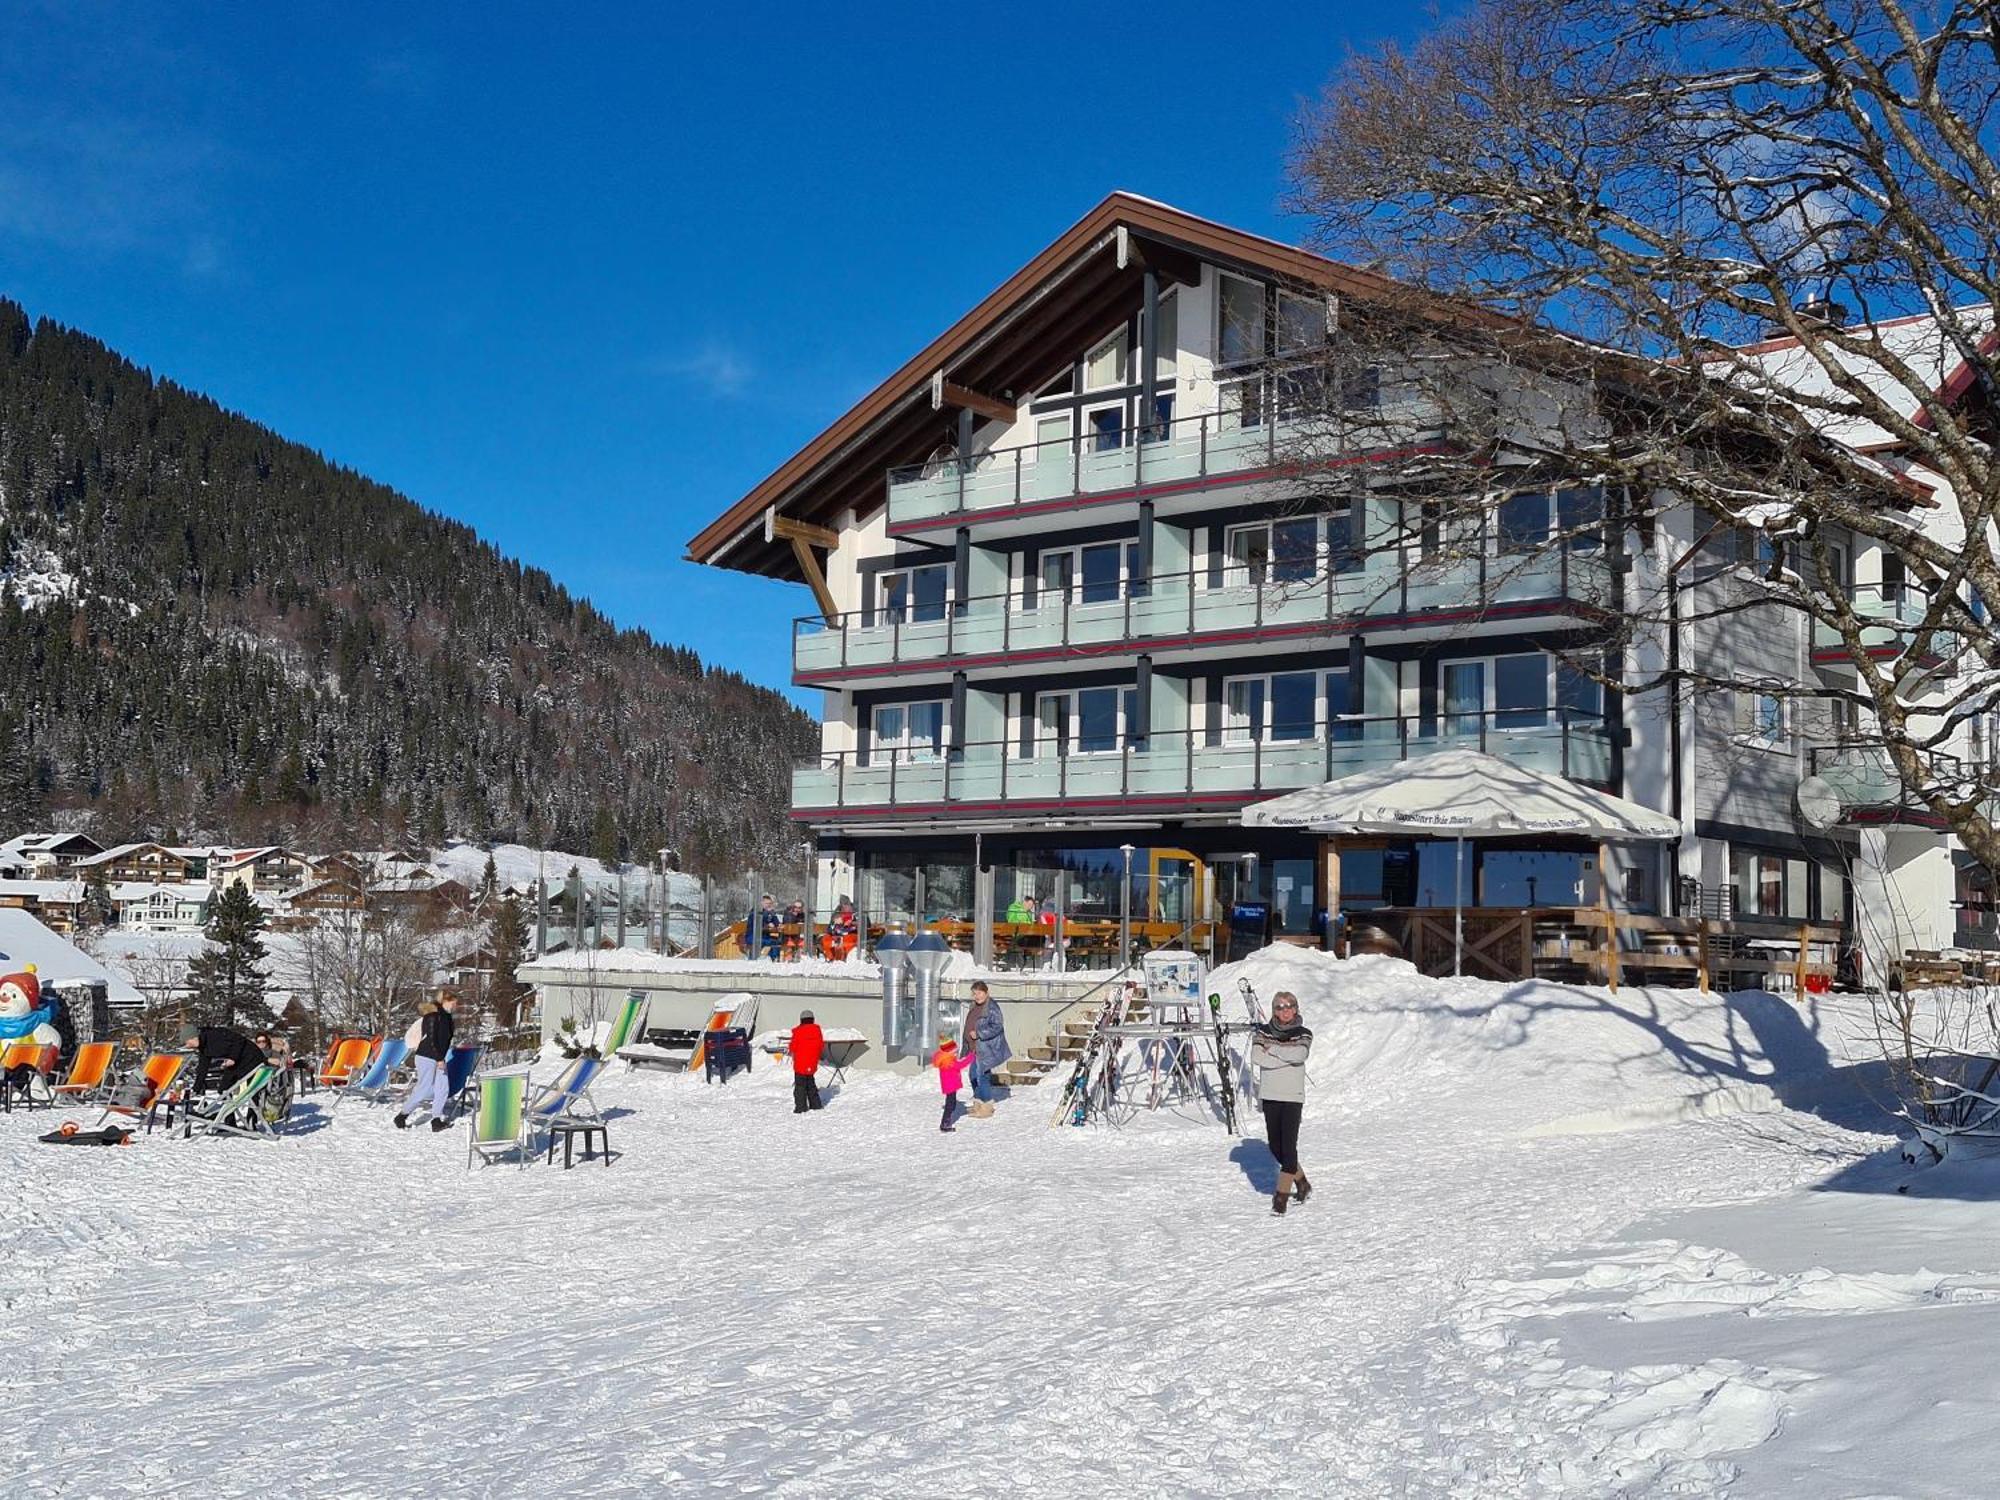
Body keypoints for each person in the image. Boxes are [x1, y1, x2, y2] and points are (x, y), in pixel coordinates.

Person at [1251, 990, 1315, 1216]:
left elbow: (1300, 1055)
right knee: (1276, 1148)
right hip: (1270, 1095)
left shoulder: (1303, 1033)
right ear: (1274, 1010)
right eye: (1279, 1006)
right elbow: (1258, 1058)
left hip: (1292, 1096)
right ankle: (1303, 1182)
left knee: (1288, 1147)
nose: (1285, 1010)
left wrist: (1275, 1050)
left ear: (1296, 1009)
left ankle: (1281, 1198)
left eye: (1289, 1006)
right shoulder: (1263, 1031)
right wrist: (1285, 1058)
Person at [395, 996, 457, 1132]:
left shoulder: (447, 1018)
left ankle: (436, 1120)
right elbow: (432, 1039)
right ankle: (402, 1116)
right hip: (426, 1056)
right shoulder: (432, 1016)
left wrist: (441, 1058)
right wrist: (439, 1058)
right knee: (424, 1088)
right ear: (445, 1001)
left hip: (439, 1057)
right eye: (453, 1003)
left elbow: (444, 1040)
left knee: (443, 1088)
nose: (455, 1006)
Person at [961, 980, 1011, 1109]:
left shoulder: (992, 1007)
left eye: (979, 993)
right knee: (973, 1075)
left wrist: (979, 1034)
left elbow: (997, 1026)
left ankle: (986, 1103)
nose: (977, 996)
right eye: (974, 993)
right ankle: (979, 1101)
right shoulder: (974, 1006)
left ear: (986, 992)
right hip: (974, 1048)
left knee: (982, 1075)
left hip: (986, 1048)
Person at [185, 1025, 267, 1095]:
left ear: (193, 1037)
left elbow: (239, 1040)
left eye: (187, 1043)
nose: (188, 1046)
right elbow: (202, 1069)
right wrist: (196, 1088)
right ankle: (227, 1113)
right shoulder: (203, 1048)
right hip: (238, 1062)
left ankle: (254, 1112)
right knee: (224, 1089)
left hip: (252, 1057)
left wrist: (232, 1058)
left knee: (252, 1090)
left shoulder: (215, 1034)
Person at [790, 1008, 825, 1113]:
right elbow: (820, 1046)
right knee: (811, 1085)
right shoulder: (817, 1031)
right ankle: (816, 1105)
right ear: (812, 1019)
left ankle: (801, 1108)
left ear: (801, 1020)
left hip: (800, 1064)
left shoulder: (798, 1031)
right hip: (812, 1063)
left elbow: (793, 1047)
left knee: (800, 1087)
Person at [931, 1036, 967, 1132]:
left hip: (949, 1086)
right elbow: (960, 1065)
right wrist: (971, 1057)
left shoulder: (946, 1059)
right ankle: (945, 1124)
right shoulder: (948, 1061)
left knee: (951, 1103)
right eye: (954, 1052)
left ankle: (946, 1122)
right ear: (949, 1051)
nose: (956, 1054)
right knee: (950, 1105)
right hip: (951, 1086)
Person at [748, 893, 783, 960]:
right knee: (770, 942)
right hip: (753, 936)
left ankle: (773, 960)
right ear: (761, 903)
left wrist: (774, 916)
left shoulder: (769, 912)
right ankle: (761, 959)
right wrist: (767, 925)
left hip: (765, 935)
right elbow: (757, 924)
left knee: (777, 942)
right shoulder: (755, 912)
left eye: (770, 903)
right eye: (767, 903)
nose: (768, 905)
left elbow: (776, 923)